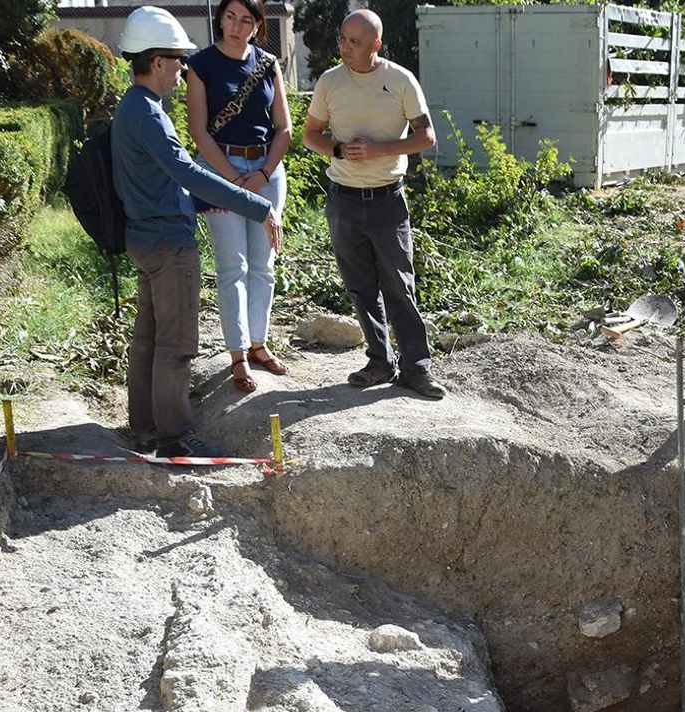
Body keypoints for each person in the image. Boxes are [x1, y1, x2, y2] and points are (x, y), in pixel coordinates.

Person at [112, 5, 282, 458]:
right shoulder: (148, 114)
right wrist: (256, 205)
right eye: (177, 60)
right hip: (169, 244)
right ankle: (174, 436)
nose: (183, 68)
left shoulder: (133, 107)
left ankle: (145, 426)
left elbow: (166, 177)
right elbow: (187, 170)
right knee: (177, 344)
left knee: (149, 338)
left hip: (146, 237)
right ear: (157, 61)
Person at [301, 9, 446, 400]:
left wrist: (382, 149)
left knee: (400, 287)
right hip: (343, 200)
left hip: (387, 199)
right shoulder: (329, 82)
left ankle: (417, 367)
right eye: (343, 39)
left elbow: (427, 136)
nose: (345, 48)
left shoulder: (400, 80)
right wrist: (335, 148)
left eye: (355, 42)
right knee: (361, 288)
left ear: (375, 46)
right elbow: (310, 135)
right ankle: (379, 361)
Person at [184, 0, 292, 393]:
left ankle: (259, 344)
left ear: (257, 25)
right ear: (220, 19)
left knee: (264, 263)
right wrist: (232, 178)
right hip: (219, 170)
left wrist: (262, 173)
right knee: (234, 266)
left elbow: (284, 128)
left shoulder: (268, 64)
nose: (236, 25)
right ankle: (237, 356)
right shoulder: (200, 65)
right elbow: (198, 130)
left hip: (265, 169)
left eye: (246, 19)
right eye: (230, 16)